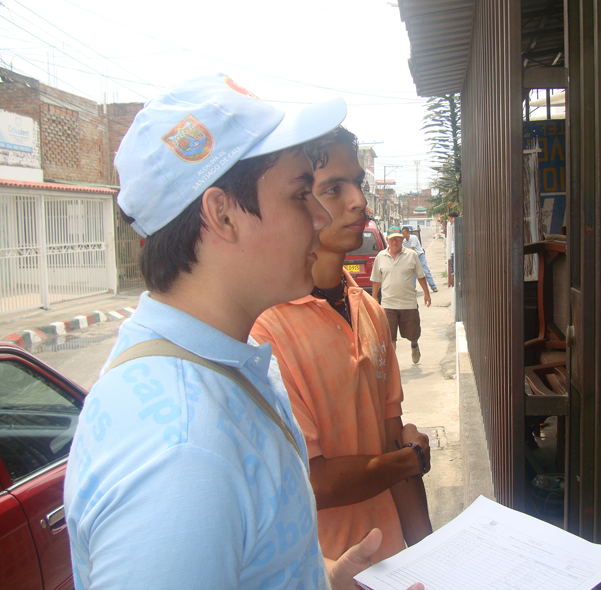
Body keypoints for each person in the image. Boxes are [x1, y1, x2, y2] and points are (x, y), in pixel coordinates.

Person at [62, 74, 421, 590]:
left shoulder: (227, 363)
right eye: (300, 194)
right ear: (222, 215)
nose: (319, 218)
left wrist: (322, 578)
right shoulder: (179, 453)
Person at [250, 127, 433, 564]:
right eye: (334, 188)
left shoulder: (369, 310)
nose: (359, 201)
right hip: (323, 571)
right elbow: (314, 483)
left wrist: (429, 556)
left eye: (358, 184)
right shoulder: (263, 329)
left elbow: (392, 437)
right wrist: (409, 460)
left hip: (392, 564)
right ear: (299, 202)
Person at [371, 226, 431, 364]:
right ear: (387, 240)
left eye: (398, 239)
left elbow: (420, 276)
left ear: (402, 240)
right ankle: (393, 366)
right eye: (392, 239)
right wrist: (374, 298)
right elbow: (376, 280)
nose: (395, 242)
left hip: (408, 303)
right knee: (390, 337)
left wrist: (426, 294)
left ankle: (414, 346)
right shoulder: (381, 257)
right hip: (388, 304)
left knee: (413, 334)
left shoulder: (411, 255)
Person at [402, 226, 438, 293]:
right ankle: (413, 289)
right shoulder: (403, 241)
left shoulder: (414, 238)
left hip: (419, 256)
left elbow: (412, 248)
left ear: (408, 233)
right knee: (413, 274)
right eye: (402, 233)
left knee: (426, 271)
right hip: (412, 258)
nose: (403, 235)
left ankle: (433, 286)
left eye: (404, 233)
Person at [446, 211, 459, 287]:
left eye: (450, 219)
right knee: (453, 268)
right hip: (453, 250)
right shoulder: (451, 226)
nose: (449, 221)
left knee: (455, 268)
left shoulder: (457, 226)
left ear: (453, 218)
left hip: (456, 251)